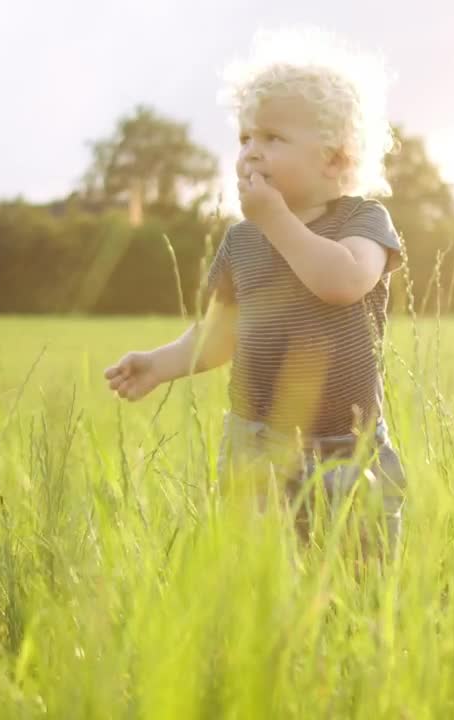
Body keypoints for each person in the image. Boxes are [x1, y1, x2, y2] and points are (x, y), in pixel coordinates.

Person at [104, 27, 407, 551]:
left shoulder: (362, 221)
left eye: (272, 138)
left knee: (359, 564)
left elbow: (342, 283)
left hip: (345, 445)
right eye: (245, 139)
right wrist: (160, 364)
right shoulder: (243, 241)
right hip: (256, 444)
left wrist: (275, 219)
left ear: (334, 159)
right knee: (263, 570)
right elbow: (220, 335)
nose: (251, 152)